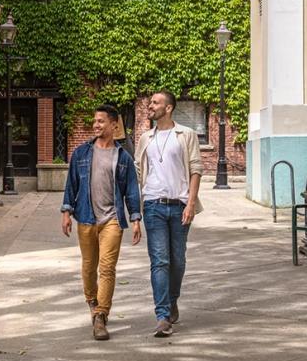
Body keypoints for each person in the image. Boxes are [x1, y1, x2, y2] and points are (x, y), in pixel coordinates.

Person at [61, 104, 142, 341]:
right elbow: (71, 185)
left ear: (114, 124)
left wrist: (135, 218)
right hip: (85, 217)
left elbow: (131, 190)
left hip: (112, 219)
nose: (96, 125)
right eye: (94, 121)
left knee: (107, 268)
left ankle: (101, 316)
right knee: (88, 267)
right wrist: (66, 212)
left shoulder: (123, 157)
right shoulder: (81, 153)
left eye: (101, 121)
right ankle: (92, 301)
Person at [135, 90, 203, 337]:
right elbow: (139, 172)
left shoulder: (186, 135)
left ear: (169, 108)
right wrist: (137, 203)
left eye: (155, 102)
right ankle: (162, 315)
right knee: (160, 260)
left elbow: (196, 169)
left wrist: (191, 203)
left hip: (179, 205)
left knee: (178, 260)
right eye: (150, 102)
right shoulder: (146, 138)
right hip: (153, 205)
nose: (150, 106)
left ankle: (172, 299)